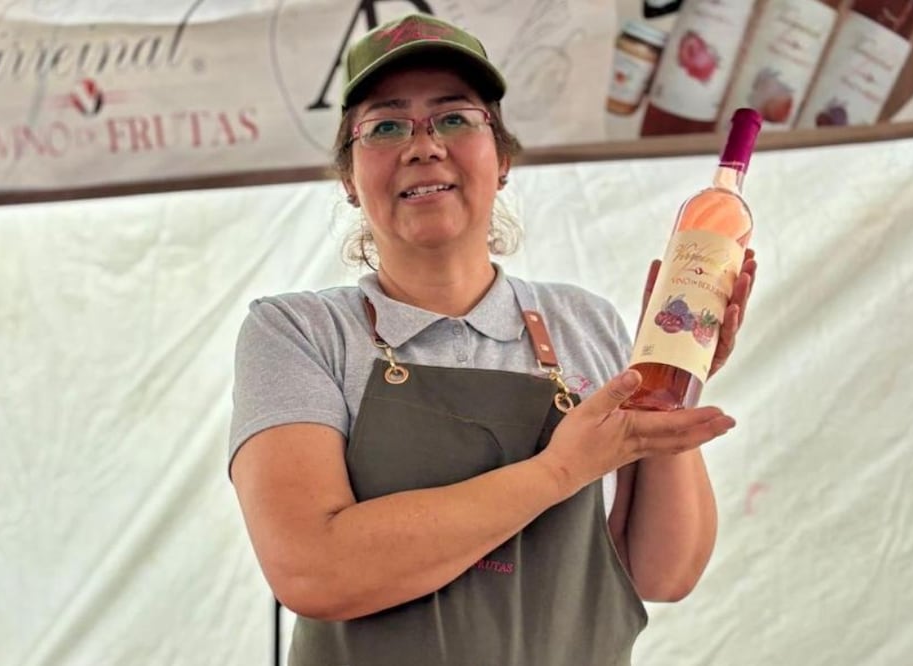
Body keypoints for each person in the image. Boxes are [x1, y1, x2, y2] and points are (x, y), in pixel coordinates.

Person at [229, 13, 756, 666]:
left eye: (454, 118)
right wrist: (561, 470)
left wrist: (668, 378)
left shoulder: (584, 323)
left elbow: (662, 574)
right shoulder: (299, 332)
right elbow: (312, 570)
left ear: (501, 159)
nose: (423, 146)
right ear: (346, 177)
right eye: (385, 126)